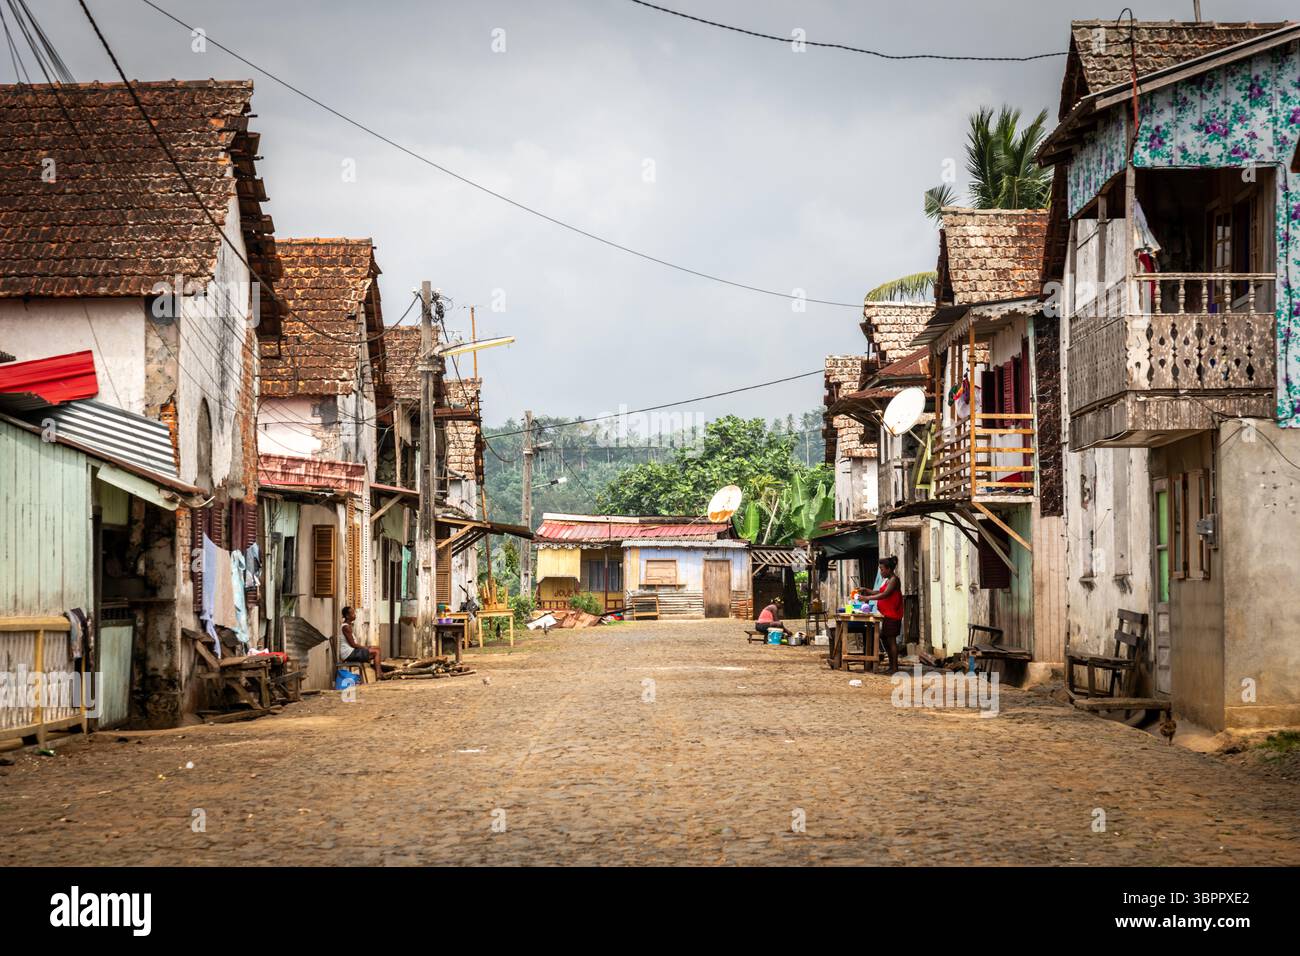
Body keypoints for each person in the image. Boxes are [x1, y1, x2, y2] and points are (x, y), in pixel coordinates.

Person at [861, 557, 904, 671]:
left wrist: (867, 597)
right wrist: (867, 590)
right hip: (886, 614)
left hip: (893, 614)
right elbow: (880, 592)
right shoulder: (887, 580)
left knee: (891, 640)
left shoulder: (894, 580)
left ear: (889, 569)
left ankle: (894, 667)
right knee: (885, 638)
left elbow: (885, 594)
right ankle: (891, 665)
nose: (881, 572)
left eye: (882, 569)